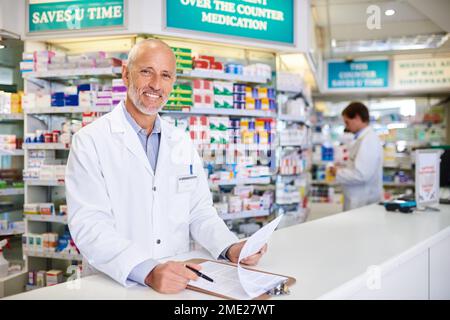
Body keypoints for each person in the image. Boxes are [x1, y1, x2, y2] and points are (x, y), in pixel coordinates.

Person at [65, 39, 267, 294]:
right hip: (116, 283)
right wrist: (146, 270)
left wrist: (230, 247)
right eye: (146, 71)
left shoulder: (180, 140)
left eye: (165, 75)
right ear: (126, 74)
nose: (156, 85)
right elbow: (89, 224)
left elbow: (199, 211)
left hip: (177, 281)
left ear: (173, 82)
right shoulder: (90, 140)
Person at [329, 102, 383, 211]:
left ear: (357, 118)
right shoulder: (361, 139)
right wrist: (343, 167)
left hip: (363, 202)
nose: (346, 126)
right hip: (357, 200)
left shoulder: (369, 140)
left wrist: (338, 172)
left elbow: (361, 175)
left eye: (347, 122)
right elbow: (359, 165)